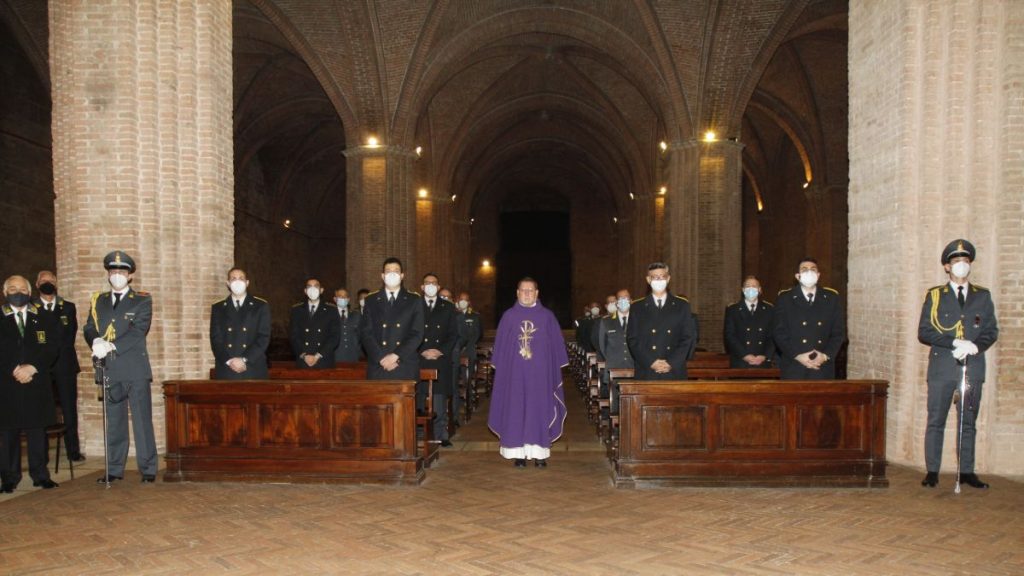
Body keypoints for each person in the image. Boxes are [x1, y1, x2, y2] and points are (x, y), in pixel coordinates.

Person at [918, 239, 998, 489]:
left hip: (972, 368)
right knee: (936, 419)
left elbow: (990, 330)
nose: (961, 266)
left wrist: (976, 346)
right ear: (946, 267)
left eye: (965, 262)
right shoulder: (935, 295)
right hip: (942, 368)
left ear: (970, 265)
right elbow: (924, 332)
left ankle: (966, 471)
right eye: (955, 262)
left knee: (968, 421)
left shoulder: (982, 296)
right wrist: (954, 342)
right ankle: (932, 470)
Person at [83, 251, 158, 483]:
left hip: (134, 368)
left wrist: (111, 346)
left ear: (130, 276)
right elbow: (89, 326)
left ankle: (148, 469)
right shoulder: (98, 300)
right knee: (114, 421)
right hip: (109, 369)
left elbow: (138, 331)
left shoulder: (142, 300)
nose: (117, 275)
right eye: (113, 271)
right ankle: (114, 469)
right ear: (108, 274)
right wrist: (95, 340)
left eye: (122, 272)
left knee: (142, 420)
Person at [488, 277, 568, 468]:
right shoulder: (508, 316)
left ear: (537, 293)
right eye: (523, 290)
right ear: (517, 293)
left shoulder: (547, 317)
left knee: (539, 410)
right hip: (514, 376)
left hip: (541, 377)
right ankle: (519, 454)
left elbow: (557, 347)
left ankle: (540, 454)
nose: (526, 293)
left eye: (530, 290)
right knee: (516, 411)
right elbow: (500, 349)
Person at [1, 275, 60, 492]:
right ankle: (9, 477)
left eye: (22, 289)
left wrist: (32, 367)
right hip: (7, 383)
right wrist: (13, 369)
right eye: (13, 288)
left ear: (29, 292)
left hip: (36, 380)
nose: (18, 292)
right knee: (8, 432)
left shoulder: (43, 317)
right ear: (5, 292)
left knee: (37, 430)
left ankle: (40, 475)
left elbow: (52, 347)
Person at [33, 270, 84, 461]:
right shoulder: (31, 307)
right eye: (43, 280)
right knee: (43, 409)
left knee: (69, 408)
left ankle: (73, 450)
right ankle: (42, 454)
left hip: (65, 364)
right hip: (41, 366)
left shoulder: (68, 307)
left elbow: (70, 334)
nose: (48, 283)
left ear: (56, 284)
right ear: (37, 285)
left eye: (51, 280)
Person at [772, 258, 845, 379]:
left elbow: (838, 333)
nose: (809, 272)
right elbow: (779, 332)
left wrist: (825, 356)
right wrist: (797, 355)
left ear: (818, 275)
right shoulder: (785, 299)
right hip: (794, 365)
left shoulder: (832, 298)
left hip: (822, 367)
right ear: (797, 276)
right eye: (804, 269)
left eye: (813, 269)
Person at [626, 263, 697, 380]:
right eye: (654, 277)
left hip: (674, 369)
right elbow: (632, 339)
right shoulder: (637, 307)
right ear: (648, 280)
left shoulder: (682, 305)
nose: (659, 280)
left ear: (668, 278)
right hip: (647, 369)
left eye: (662, 276)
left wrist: (671, 363)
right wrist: (651, 362)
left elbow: (688, 337)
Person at [359, 257, 424, 380]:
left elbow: (417, 333)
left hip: (405, 365)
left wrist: (396, 356)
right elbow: (366, 333)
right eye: (388, 271)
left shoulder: (414, 300)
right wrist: (382, 358)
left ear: (402, 275)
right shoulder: (371, 300)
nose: (392, 274)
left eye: (396, 271)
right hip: (379, 366)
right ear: (383, 276)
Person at [418, 274, 458, 446]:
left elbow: (453, 334)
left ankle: (441, 434)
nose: (431, 286)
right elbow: (409, 332)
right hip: (420, 357)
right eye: (427, 283)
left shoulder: (448, 307)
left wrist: (439, 351)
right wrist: (422, 350)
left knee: (439, 397)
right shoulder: (414, 305)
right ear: (422, 286)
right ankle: (420, 432)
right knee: (420, 395)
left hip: (440, 358)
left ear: (439, 286)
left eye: (434, 283)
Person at [209, 267, 271, 379]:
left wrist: (244, 359)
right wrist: (229, 361)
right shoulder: (218, 308)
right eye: (233, 279)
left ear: (247, 283)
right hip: (227, 368)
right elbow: (215, 339)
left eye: (241, 278)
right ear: (228, 283)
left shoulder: (260, 306)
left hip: (252, 367)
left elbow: (263, 337)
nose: (237, 282)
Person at [723, 276, 775, 368]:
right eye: (748, 286)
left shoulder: (769, 309)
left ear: (759, 290)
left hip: (762, 362)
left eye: (754, 286)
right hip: (740, 361)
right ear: (743, 290)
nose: (751, 288)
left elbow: (773, 336)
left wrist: (765, 356)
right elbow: (730, 336)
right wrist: (744, 355)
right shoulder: (733, 310)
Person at [288, 278, 339, 369]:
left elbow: (335, 336)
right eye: (309, 287)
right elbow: (293, 336)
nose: (312, 289)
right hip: (303, 361)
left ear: (321, 290)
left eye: (316, 286)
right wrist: (304, 355)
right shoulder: (296, 310)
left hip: (324, 360)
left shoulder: (331, 310)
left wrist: (318, 355)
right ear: (305, 291)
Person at [452, 291, 482, 423]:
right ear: (456, 300)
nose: (463, 302)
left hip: (468, 351)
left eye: (466, 300)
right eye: (460, 299)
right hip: (454, 352)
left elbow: (477, 334)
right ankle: (454, 409)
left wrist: (464, 346)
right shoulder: (452, 314)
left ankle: (468, 405)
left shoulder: (474, 316)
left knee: (466, 380)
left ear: (469, 302)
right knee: (453, 382)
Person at [595, 289, 634, 370]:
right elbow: (602, 346)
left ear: (631, 301)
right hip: (613, 368)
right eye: (620, 298)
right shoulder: (606, 321)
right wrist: (612, 360)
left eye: (626, 298)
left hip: (634, 368)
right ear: (616, 302)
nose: (623, 301)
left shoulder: (638, 320)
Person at [332, 288, 362, 362]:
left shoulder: (357, 315)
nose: (342, 298)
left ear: (348, 299)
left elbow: (361, 336)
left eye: (345, 296)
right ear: (335, 299)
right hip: (334, 357)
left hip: (353, 357)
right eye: (340, 296)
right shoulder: (330, 316)